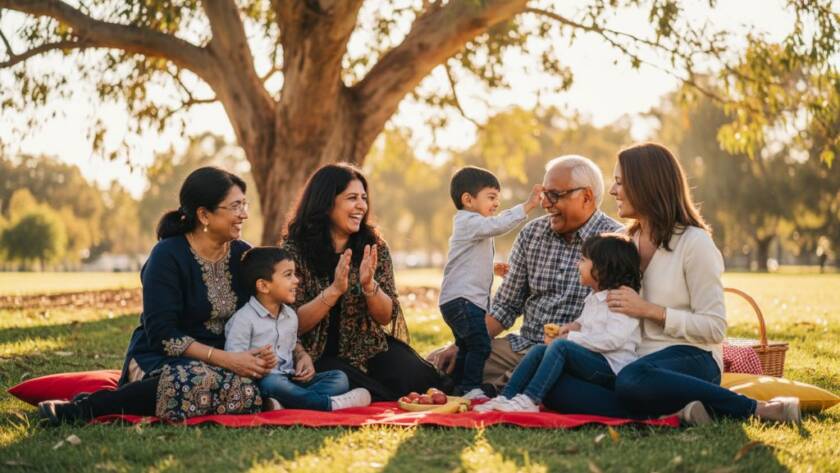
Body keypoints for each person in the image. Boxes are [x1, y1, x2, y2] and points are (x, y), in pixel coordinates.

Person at [542, 142, 800, 424]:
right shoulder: (623, 243)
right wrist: (576, 330)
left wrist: (651, 311)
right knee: (554, 383)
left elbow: (714, 329)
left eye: (619, 182)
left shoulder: (694, 243)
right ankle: (676, 412)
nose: (613, 191)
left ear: (646, 185)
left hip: (690, 357)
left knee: (632, 380)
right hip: (632, 362)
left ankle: (757, 409)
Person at [39, 167, 274, 424]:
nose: (244, 214)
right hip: (160, 359)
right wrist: (227, 360)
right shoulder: (167, 255)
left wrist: (277, 354)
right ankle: (84, 408)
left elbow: (266, 309)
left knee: (250, 389)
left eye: (245, 204)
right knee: (194, 380)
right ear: (204, 215)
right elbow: (163, 334)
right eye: (235, 206)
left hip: (224, 363)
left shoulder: (244, 256)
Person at [429, 156, 622, 391]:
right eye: (544, 195)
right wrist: (461, 345)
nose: (546, 204)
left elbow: (614, 321)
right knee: (446, 365)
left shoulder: (615, 241)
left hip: (575, 353)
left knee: (544, 375)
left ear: (586, 197)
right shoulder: (532, 233)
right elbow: (505, 306)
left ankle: (498, 389)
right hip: (522, 346)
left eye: (555, 195)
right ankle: (491, 386)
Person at [281, 163, 450, 401]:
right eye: (352, 198)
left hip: (368, 348)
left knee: (421, 380)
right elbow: (291, 323)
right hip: (315, 354)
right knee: (345, 380)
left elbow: (385, 316)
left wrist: (371, 287)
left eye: (363, 198)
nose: (361, 205)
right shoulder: (294, 251)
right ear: (326, 202)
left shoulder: (374, 246)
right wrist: (333, 291)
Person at [476, 233, 642, 412]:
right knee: (540, 349)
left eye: (583, 260)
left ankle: (530, 400)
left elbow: (612, 340)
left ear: (603, 268)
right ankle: (506, 396)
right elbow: (584, 323)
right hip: (593, 359)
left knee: (561, 346)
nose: (577, 264)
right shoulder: (595, 296)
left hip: (611, 368)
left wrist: (571, 338)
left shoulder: (621, 301)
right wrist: (571, 328)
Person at [439, 166, 542, 399]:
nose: (496, 204)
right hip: (463, 301)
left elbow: (466, 259)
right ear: (468, 199)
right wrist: (526, 206)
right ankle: (472, 388)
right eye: (491, 197)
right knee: (480, 346)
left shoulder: (473, 225)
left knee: (465, 347)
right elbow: (497, 225)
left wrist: (492, 268)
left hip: (458, 301)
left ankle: (456, 387)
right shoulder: (469, 221)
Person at [225, 247, 371, 411]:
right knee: (273, 382)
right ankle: (329, 404)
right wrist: (259, 363)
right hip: (264, 381)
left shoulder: (290, 316)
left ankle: (286, 403)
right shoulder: (243, 320)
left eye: (294, 274)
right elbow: (234, 362)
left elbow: (293, 346)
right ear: (264, 285)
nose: (296, 280)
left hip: (290, 379)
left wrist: (302, 357)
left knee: (339, 378)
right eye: (288, 275)